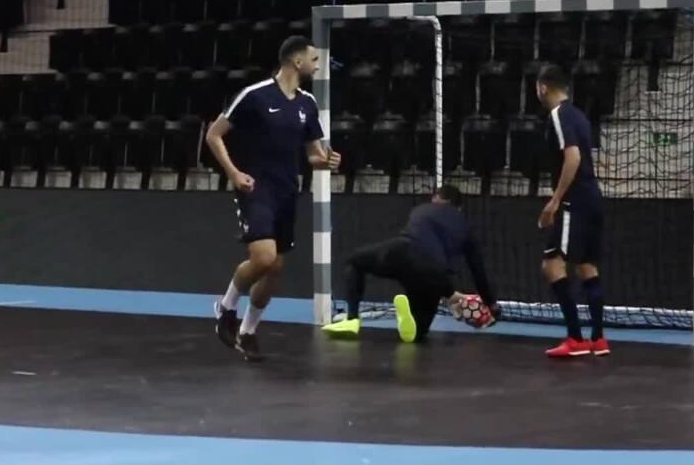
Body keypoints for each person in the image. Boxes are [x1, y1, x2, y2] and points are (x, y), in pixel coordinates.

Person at [205, 36, 342, 362]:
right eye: (313, 58)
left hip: (286, 191)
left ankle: (248, 332)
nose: (317, 64)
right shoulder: (254, 95)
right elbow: (213, 134)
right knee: (264, 258)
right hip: (255, 187)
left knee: (275, 267)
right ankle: (225, 309)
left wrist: (327, 162)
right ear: (296, 61)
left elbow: (313, 155)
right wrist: (234, 173)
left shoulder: (307, 103)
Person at [322, 185, 499, 343]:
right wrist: (491, 304)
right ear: (458, 208)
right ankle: (410, 323)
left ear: (438, 198)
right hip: (436, 276)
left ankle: (352, 319)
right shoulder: (466, 229)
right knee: (419, 331)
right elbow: (478, 271)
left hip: (403, 253)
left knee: (354, 262)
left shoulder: (422, 209)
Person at [535, 65, 610, 359]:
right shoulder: (580, 115)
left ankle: (575, 338)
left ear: (543, 87)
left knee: (552, 265)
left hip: (574, 201)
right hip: (593, 198)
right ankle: (599, 339)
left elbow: (574, 156)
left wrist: (555, 201)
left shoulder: (558, 115)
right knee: (587, 267)